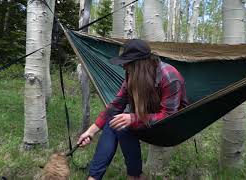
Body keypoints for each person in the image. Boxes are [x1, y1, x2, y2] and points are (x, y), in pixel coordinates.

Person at [77, 39, 189, 180]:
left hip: (168, 128)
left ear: (139, 65)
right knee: (116, 122)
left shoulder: (169, 77)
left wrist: (133, 118)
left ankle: (134, 176)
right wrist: (90, 131)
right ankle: (96, 177)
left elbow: (168, 116)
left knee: (123, 123)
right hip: (145, 122)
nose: (124, 67)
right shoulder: (133, 76)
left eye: (126, 63)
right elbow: (115, 106)